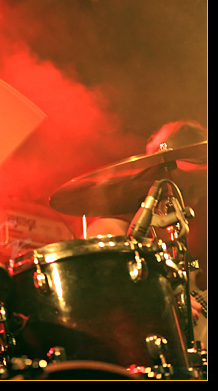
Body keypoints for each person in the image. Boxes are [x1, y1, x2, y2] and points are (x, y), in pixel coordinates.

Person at [86, 120, 207, 347]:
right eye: (190, 186)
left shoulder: (190, 230)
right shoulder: (112, 230)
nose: (197, 197)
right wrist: (161, 301)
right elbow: (101, 302)